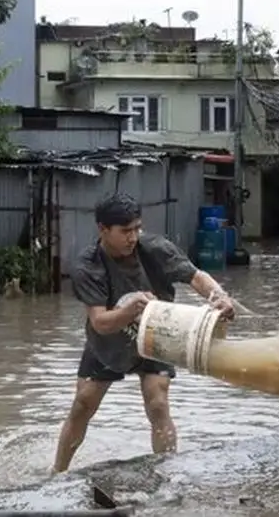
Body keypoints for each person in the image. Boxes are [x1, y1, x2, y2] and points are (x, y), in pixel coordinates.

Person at [51, 194, 236, 473]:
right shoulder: (88, 265)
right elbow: (100, 322)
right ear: (103, 229)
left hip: (157, 333)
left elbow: (197, 277)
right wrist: (132, 310)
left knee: (158, 403)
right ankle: (57, 472)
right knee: (83, 404)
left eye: (137, 228)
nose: (133, 237)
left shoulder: (155, 248)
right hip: (108, 341)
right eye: (125, 231)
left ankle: (168, 470)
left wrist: (219, 296)